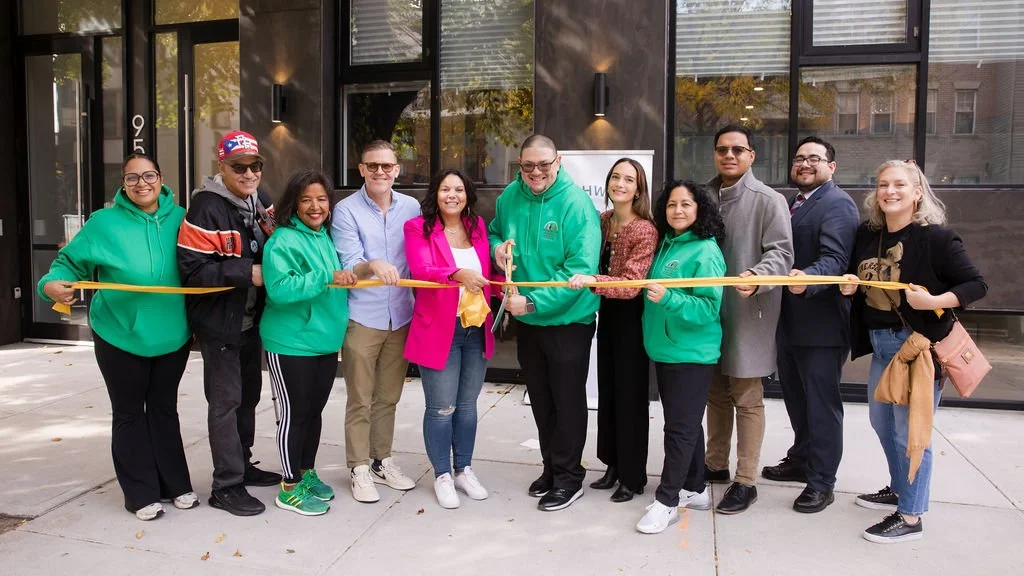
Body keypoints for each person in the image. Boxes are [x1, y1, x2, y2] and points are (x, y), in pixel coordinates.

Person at [39, 154, 196, 521]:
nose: (142, 183)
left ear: (161, 178)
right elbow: (66, 263)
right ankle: (140, 494)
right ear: (123, 183)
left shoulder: (182, 218)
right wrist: (50, 285)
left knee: (163, 409)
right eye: (132, 178)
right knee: (128, 413)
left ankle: (174, 484)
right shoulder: (102, 223)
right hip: (118, 333)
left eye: (149, 175)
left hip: (172, 334)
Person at [839, 160, 986, 543]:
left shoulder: (936, 239)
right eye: (884, 184)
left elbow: (976, 284)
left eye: (900, 185)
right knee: (881, 422)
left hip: (918, 348)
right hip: (881, 346)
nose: (890, 191)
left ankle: (910, 516)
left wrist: (936, 299)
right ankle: (899, 486)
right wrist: (852, 287)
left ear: (917, 192)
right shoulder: (868, 235)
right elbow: (863, 279)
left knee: (911, 433)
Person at [488, 134, 601, 512]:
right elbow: (493, 232)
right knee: (541, 400)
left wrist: (533, 302)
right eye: (528, 165)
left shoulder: (577, 205)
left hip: (568, 319)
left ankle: (570, 478)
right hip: (530, 320)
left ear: (559, 161)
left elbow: (580, 271)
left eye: (543, 164)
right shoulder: (509, 197)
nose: (535, 172)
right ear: (520, 164)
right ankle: (552, 467)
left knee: (567, 403)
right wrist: (497, 248)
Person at [177, 130, 281, 516]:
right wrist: (247, 273)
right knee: (225, 403)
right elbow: (191, 271)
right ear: (222, 167)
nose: (250, 173)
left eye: (256, 166)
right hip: (221, 323)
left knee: (249, 397)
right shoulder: (205, 207)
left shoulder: (261, 201)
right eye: (240, 167)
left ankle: (243, 465)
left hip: (253, 321)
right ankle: (225, 485)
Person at [763, 136, 859, 513]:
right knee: (797, 399)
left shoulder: (837, 204)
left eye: (814, 158)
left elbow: (836, 259)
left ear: (831, 167)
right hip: (788, 323)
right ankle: (801, 458)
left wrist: (809, 278)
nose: (805, 163)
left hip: (820, 324)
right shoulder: (792, 204)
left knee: (821, 405)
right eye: (799, 158)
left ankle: (822, 481)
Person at [704, 124, 794, 514]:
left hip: (747, 311)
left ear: (751, 155)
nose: (729, 155)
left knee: (746, 395)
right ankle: (714, 465)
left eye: (738, 149)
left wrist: (757, 277)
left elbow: (782, 253)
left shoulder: (768, 200)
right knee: (715, 392)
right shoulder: (702, 196)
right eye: (722, 149)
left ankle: (746, 480)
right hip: (706, 311)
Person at [260, 170, 358, 516]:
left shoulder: (325, 237)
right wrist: (326, 277)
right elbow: (281, 290)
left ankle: (305, 472)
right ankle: (288, 486)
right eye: (306, 200)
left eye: (321, 199)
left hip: (324, 343)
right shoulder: (282, 241)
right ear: (294, 204)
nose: (315, 207)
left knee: (312, 413)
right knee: (294, 415)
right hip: (291, 343)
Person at [635, 180, 726, 534]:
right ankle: (696, 488)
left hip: (692, 354)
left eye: (686, 205)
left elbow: (708, 308)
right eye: (672, 205)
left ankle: (667, 500)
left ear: (699, 209)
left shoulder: (705, 251)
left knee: (679, 428)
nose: (678, 211)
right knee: (685, 424)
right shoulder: (667, 245)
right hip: (666, 350)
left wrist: (669, 299)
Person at [332, 140, 421, 503]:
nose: (380, 172)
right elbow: (350, 260)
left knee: (388, 397)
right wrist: (373, 264)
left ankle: (381, 461)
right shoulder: (345, 210)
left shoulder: (412, 207)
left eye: (387, 166)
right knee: (360, 398)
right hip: (363, 316)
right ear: (361, 169)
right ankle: (357, 467)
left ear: (397, 170)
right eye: (373, 166)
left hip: (401, 314)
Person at [404, 169, 497, 509]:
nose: (452, 195)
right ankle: (442, 474)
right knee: (442, 408)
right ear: (436, 193)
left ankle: (464, 469)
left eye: (459, 189)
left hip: (476, 326)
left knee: (469, 405)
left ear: (468, 195)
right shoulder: (418, 228)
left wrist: (502, 265)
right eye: (445, 189)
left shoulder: (477, 227)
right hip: (439, 328)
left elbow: (487, 271)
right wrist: (457, 273)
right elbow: (420, 269)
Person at [568, 158, 657, 503]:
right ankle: (612, 465)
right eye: (616, 177)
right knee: (608, 394)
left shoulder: (644, 229)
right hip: (605, 315)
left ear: (638, 188)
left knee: (631, 397)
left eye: (629, 179)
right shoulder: (602, 221)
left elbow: (633, 284)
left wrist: (593, 281)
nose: (620, 183)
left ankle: (632, 476)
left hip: (631, 319)